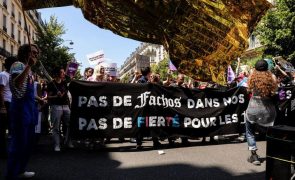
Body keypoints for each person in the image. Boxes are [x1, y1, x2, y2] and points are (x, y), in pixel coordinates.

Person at [6, 44, 39, 179]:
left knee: (28, 142)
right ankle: (11, 174)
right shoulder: (18, 65)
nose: (36, 55)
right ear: (25, 52)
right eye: (33, 52)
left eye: (37, 53)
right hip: (20, 108)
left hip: (30, 108)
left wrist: (39, 99)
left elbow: (26, 89)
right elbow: (17, 83)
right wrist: (28, 66)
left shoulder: (29, 70)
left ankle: (20, 170)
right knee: (19, 142)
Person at [245, 59, 277, 166]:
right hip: (268, 109)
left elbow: (248, 90)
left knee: (250, 131)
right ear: (267, 67)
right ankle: (274, 155)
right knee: (272, 132)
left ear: (255, 68)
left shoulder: (251, 77)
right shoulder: (272, 77)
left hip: (253, 107)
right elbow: (274, 92)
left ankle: (254, 155)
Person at [47, 68, 73, 152]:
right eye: (62, 72)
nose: (64, 73)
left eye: (63, 72)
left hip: (65, 106)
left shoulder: (64, 83)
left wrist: (61, 94)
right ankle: (57, 144)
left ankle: (68, 141)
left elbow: (64, 93)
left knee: (70, 124)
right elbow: (48, 97)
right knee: (56, 127)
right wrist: (56, 96)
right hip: (56, 106)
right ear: (57, 74)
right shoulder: (51, 84)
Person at [136, 67, 161, 150]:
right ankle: (139, 143)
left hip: (149, 106)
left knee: (152, 123)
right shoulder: (142, 81)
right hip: (144, 107)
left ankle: (155, 141)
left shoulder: (144, 80)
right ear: (149, 72)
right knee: (143, 124)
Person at [0, 56, 17, 159]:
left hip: (12, 104)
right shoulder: (3, 75)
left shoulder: (12, 76)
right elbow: (0, 92)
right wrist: (2, 106)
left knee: (12, 129)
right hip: (6, 104)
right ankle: (2, 152)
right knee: (2, 130)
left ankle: (10, 151)